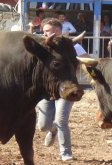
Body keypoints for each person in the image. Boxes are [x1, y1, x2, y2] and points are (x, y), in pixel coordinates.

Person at [37, 17, 89, 162]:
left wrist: (80, 64)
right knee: (42, 126)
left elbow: (88, 61)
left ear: (58, 30)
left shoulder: (73, 47)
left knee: (61, 120)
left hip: (67, 88)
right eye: (44, 31)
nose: (45, 33)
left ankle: (65, 152)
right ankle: (52, 129)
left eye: (48, 31)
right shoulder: (43, 46)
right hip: (46, 89)